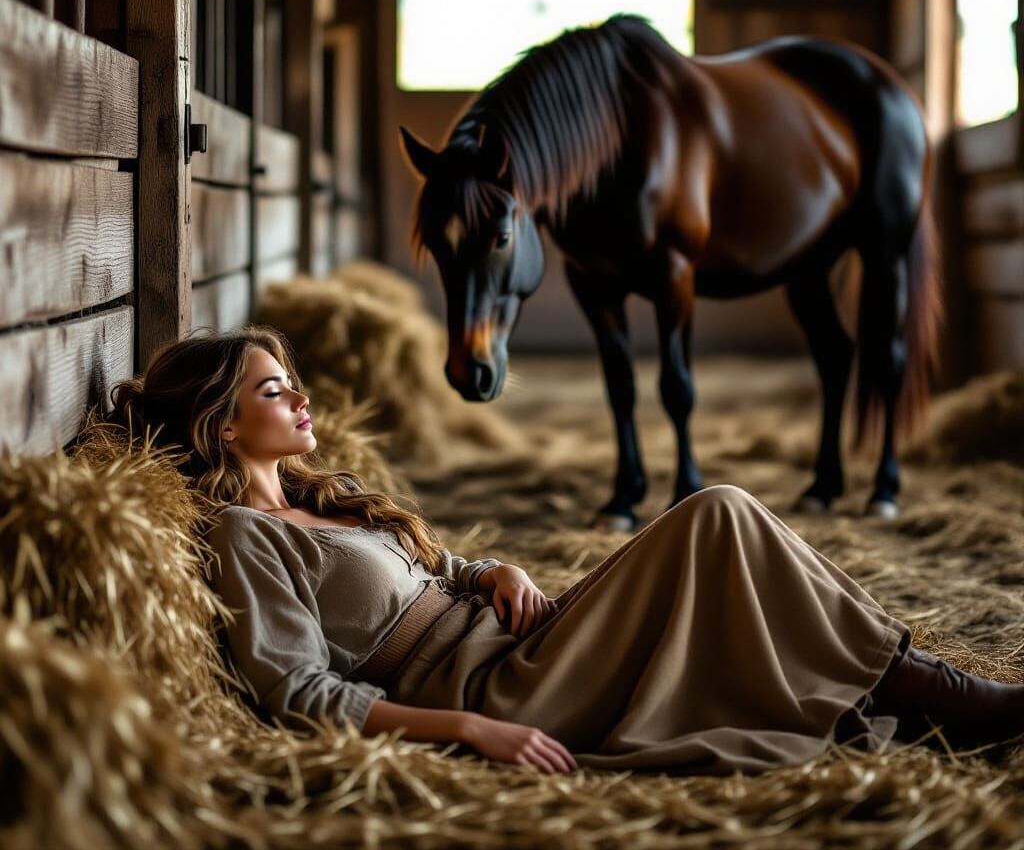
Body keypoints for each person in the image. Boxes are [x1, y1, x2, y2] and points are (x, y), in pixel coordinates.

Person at [108, 325, 1024, 776]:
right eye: (277, 392)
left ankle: (906, 678)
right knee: (719, 512)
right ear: (223, 427)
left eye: (295, 382)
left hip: (520, 634)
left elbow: (425, 575)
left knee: (722, 518)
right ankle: (925, 687)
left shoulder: (315, 496)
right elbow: (296, 692)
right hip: (492, 685)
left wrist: (491, 570)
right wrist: (468, 728)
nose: (304, 401)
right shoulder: (245, 535)